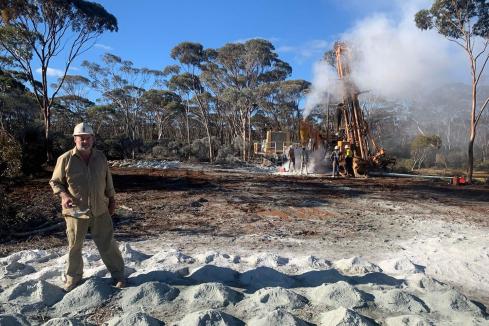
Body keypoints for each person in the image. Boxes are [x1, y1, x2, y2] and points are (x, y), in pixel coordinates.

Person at [50, 122, 125, 292]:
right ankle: (73, 278)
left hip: (100, 209)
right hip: (75, 212)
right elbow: (55, 182)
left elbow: (108, 180)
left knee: (108, 244)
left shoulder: (101, 157)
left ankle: (119, 275)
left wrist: (112, 200)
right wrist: (64, 196)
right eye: (81, 138)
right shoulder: (65, 159)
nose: (85, 141)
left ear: (93, 139)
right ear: (75, 139)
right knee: (75, 247)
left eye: (88, 138)